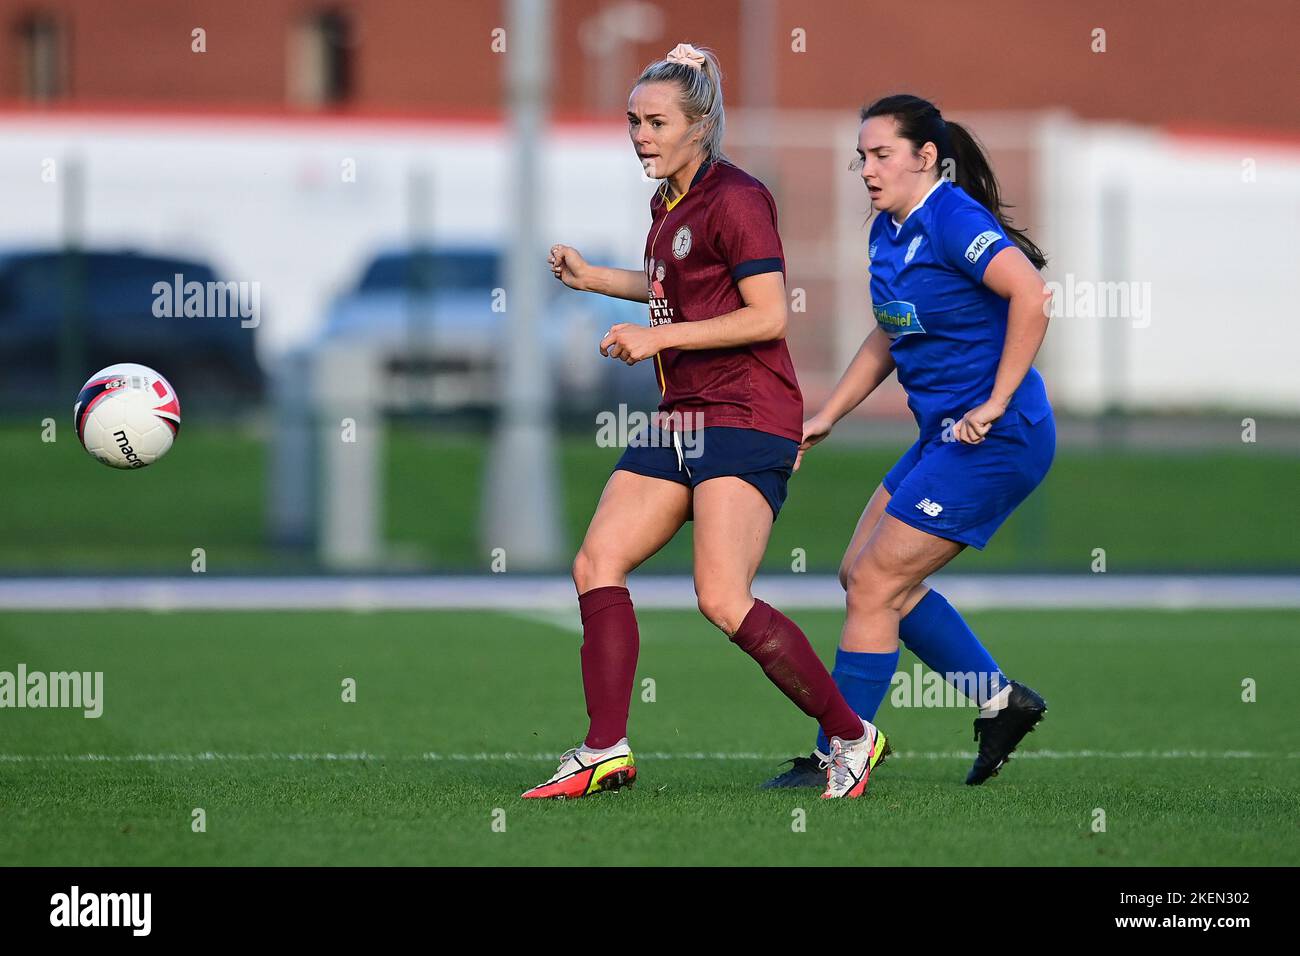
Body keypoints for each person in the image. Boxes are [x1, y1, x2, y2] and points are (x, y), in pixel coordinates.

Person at [521, 43, 889, 801]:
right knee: (596, 564)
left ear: (701, 126)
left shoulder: (738, 197)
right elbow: (676, 292)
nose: (640, 136)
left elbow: (766, 316)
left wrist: (658, 337)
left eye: (656, 122)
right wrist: (598, 279)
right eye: (633, 122)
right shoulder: (666, 205)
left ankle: (853, 738)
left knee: (722, 597)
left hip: (746, 415)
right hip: (680, 414)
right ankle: (604, 750)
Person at [764, 94, 1053, 790]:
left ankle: (844, 752)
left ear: (926, 158)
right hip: (944, 436)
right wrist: (829, 411)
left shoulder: (952, 217)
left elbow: (1032, 296)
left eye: (881, 154)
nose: (866, 169)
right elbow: (891, 332)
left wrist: (996, 398)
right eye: (860, 157)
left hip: (997, 437)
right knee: (861, 575)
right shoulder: (887, 231)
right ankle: (1000, 702)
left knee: (874, 584)